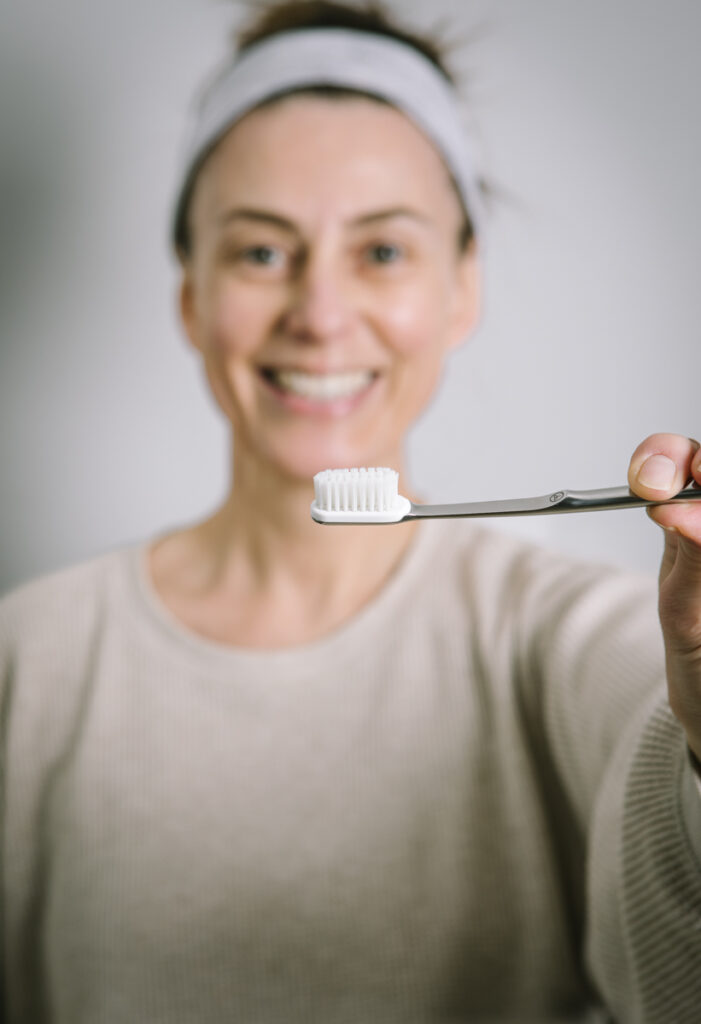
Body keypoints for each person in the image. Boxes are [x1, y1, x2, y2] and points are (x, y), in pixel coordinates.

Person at [1, 2, 700, 1021]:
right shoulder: (27, 662)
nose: (320, 315)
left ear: (461, 288)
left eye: (380, 252)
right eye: (257, 252)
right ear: (189, 293)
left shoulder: (568, 641)